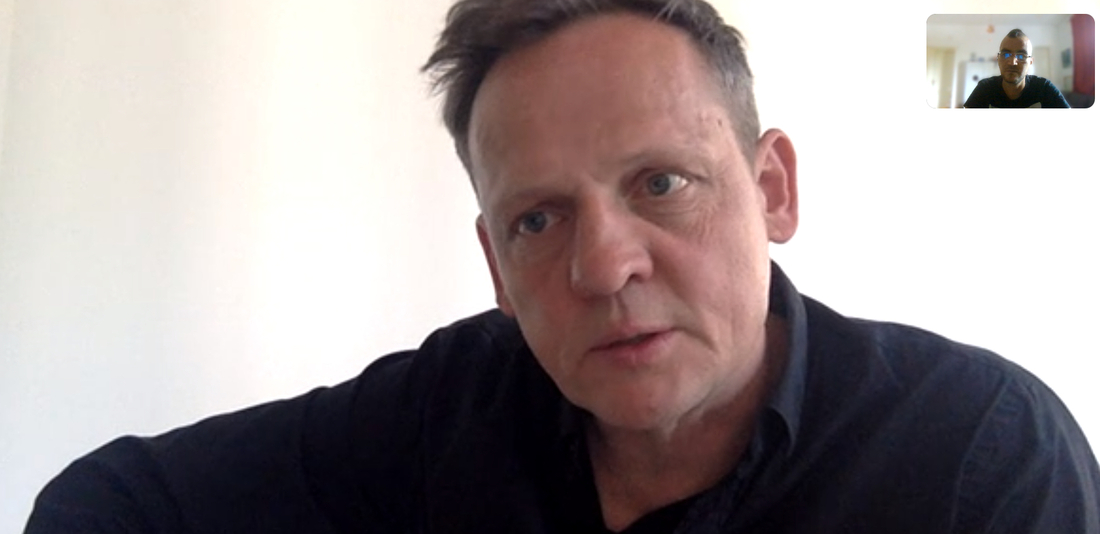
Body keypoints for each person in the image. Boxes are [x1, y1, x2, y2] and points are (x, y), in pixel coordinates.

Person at [25, 1, 1100, 532]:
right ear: (495, 263)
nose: (603, 265)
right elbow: (107, 505)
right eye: (538, 219)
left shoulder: (979, 455)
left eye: (660, 183)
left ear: (771, 189)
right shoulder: (448, 409)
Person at [964, 28, 1071, 108]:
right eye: (1006, 54)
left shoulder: (1045, 89)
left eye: (1021, 56)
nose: (1012, 62)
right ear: (998, 59)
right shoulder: (985, 88)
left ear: (1031, 62)